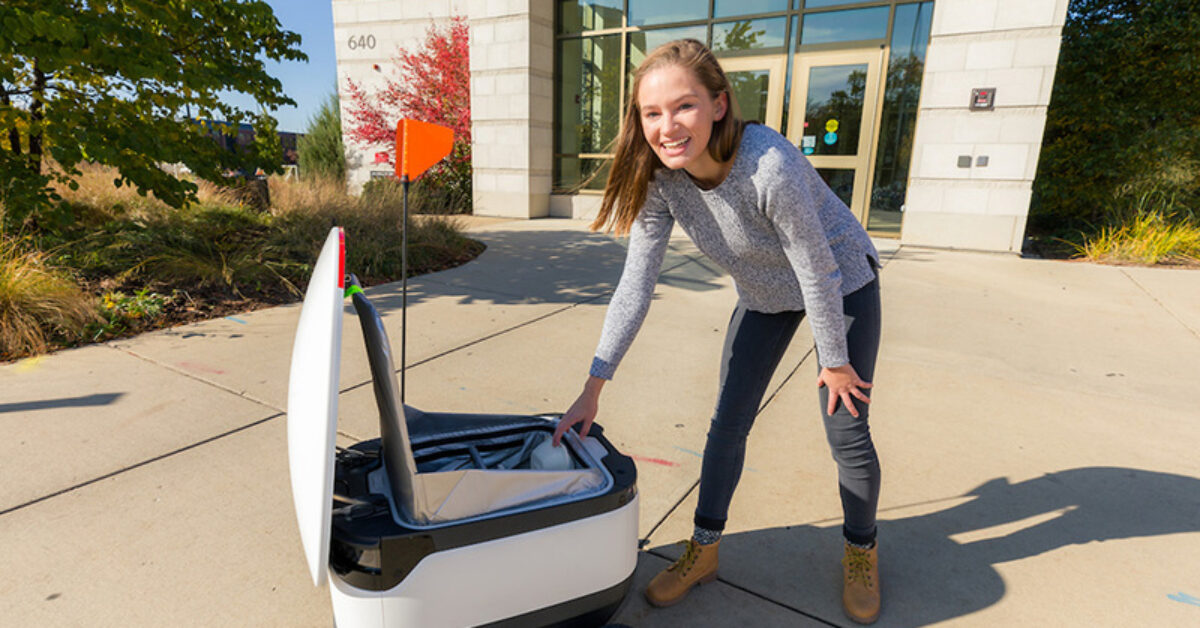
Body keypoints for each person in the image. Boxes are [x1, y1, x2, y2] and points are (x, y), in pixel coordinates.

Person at [551, 39, 884, 624]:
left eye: (684, 107)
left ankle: (862, 552)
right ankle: (704, 550)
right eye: (652, 113)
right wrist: (593, 385)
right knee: (726, 422)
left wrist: (832, 360)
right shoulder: (661, 181)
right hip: (763, 297)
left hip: (842, 283)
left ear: (719, 105)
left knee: (845, 429)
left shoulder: (769, 166)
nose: (668, 126)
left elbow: (816, 267)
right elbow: (636, 283)